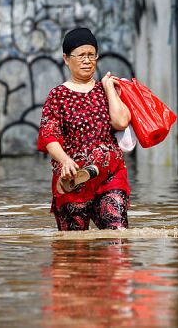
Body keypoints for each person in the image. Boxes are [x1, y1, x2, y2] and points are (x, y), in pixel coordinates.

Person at [37, 27, 132, 231]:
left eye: (92, 55)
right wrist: (64, 160)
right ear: (66, 58)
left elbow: (121, 122)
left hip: (109, 175)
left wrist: (109, 89)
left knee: (117, 238)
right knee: (74, 250)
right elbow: (49, 135)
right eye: (81, 55)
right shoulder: (57, 96)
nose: (87, 60)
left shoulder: (107, 89)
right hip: (72, 179)